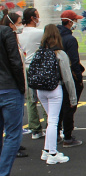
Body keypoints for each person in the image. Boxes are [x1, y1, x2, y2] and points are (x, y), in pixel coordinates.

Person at [35, 25, 76, 165]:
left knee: (50, 120)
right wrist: (73, 97)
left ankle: (47, 150)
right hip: (54, 88)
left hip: (40, 89)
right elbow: (68, 78)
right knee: (53, 121)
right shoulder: (60, 54)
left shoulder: (39, 52)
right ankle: (52, 153)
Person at [0, 17, 26, 176]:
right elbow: (15, 62)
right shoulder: (6, 32)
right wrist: (21, 86)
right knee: (13, 136)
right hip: (8, 88)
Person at [56, 10, 84, 148]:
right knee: (70, 105)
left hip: (56, 77)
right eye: (75, 20)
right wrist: (79, 78)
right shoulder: (70, 40)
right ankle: (68, 136)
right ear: (70, 22)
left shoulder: (55, 37)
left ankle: (56, 134)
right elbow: (74, 61)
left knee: (58, 109)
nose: (76, 23)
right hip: (68, 76)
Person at [18, 8, 44, 140]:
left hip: (26, 67)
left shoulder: (19, 33)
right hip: (38, 67)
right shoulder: (40, 32)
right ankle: (52, 126)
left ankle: (35, 129)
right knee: (45, 96)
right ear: (33, 18)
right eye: (37, 16)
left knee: (30, 99)